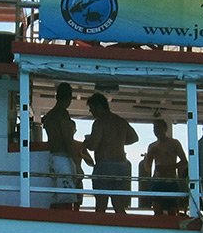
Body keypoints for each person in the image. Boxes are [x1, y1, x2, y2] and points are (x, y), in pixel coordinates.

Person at [83, 92, 138, 213]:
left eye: (91, 109)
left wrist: (87, 141)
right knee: (119, 205)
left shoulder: (99, 123)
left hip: (105, 165)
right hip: (121, 166)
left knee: (101, 205)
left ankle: (98, 230)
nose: (91, 112)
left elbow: (93, 145)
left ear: (98, 106)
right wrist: (118, 142)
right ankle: (124, 229)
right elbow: (134, 138)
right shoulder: (121, 121)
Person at [40, 82, 83, 210]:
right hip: (63, 159)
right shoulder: (62, 114)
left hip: (52, 157)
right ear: (69, 97)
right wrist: (77, 165)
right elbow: (68, 141)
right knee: (66, 197)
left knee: (56, 195)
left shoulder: (49, 116)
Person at [139, 117, 189, 215]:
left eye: (158, 128)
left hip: (171, 181)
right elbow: (147, 168)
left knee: (172, 210)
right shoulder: (152, 146)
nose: (156, 131)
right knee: (157, 209)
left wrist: (169, 168)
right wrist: (149, 156)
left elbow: (184, 161)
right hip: (157, 181)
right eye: (154, 128)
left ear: (165, 129)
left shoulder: (174, 143)